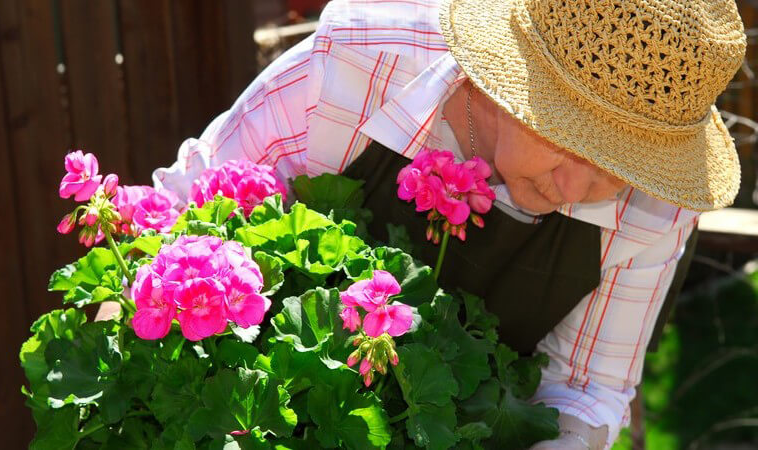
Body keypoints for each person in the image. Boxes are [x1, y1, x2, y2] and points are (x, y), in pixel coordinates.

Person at [153, 0, 747, 448]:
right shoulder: (349, 70)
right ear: (508, 80)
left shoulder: (660, 205)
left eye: (616, 171)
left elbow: (586, 390)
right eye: (571, 145)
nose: (574, 190)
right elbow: (179, 224)